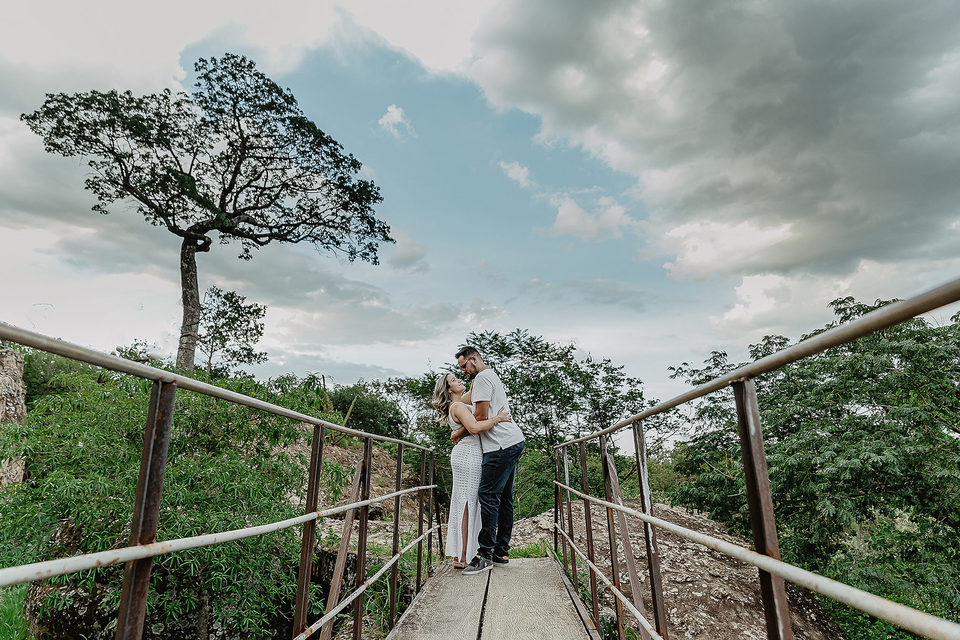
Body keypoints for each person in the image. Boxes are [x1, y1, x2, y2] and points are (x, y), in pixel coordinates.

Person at [452, 346, 525, 576]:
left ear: (474, 359)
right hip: (512, 441)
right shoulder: (487, 376)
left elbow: (480, 417)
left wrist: (457, 434)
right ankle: (501, 552)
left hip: (500, 445)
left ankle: (484, 555)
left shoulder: (482, 378)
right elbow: (461, 401)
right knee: (504, 499)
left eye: (464, 366)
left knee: (488, 496)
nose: (463, 371)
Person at [431, 373, 512, 568]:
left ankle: (461, 554)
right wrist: (498, 418)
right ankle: (463, 556)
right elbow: (474, 428)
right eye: (454, 380)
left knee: (465, 502)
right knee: (467, 503)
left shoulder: (460, 402)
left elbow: (476, 387)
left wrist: (478, 374)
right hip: (469, 454)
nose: (459, 380)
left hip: (467, 453)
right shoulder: (458, 406)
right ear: (448, 389)